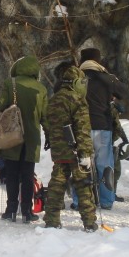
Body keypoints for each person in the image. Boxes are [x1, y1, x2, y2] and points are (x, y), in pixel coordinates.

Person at [44, 66, 98, 231]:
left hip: (59, 150)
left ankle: (52, 220)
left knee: (57, 184)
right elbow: (83, 129)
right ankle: (89, 222)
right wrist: (85, 153)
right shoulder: (77, 100)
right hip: (76, 151)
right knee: (83, 185)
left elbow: (48, 126)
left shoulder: (53, 100)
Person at [75, 47, 129, 210]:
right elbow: (124, 93)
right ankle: (106, 200)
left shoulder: (76, 78)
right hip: (103, 127)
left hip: (81, 128)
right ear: (98, 61)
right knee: (105, 165)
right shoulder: (107, 78)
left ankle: (80, 201)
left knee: (82, 164)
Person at [0, 55, 48, 224]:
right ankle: (27, 211)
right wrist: (49, 135)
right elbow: (45, 116)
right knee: (27, 175)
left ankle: (10, 210)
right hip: (31, 138)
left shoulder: (9, 84)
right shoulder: (41, 89)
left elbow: (0, 106)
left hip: (12, 136)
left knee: (11, 174)